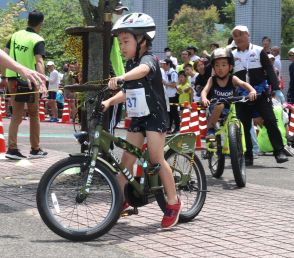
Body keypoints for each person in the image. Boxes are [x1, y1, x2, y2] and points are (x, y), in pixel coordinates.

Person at [102, 13, 182, 229]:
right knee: (126, 162)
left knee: (156, 158)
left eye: (126, 41)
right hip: (137, 117)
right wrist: (109, 101)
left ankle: (173, 202)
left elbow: (143, 71)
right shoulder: (130, 65)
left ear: (142, 41)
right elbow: (127, 93)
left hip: (155, 117)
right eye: (120, 43)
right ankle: (120, 202)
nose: (122, 46)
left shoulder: (149, 60)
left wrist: (121, 78)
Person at [231, 25, 288, 165]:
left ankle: (279, 151)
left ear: (247, 35)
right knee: (244, 126)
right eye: (235, 36)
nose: (238, 38)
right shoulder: (232, 55)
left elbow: (269, 69)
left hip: (261, 93)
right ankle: (248, 155)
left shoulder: (258, 50)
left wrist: (276, 89)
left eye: (241, 34)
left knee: (270, 120)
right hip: (242, 95)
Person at [1, 10, 48, 160]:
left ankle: (12, 148)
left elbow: (4, 54)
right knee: (34, 114)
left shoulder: (14, 35)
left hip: (12, 79)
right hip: (29, 80)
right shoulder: (37, 38)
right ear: (41, 23)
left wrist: (3, 76)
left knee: (16, 115)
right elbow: (39, 61)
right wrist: (42, 83)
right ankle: (35, 149)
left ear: (27, 20)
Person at [201, 48, 257, 138]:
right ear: (213, 67)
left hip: (231, 108)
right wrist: (204, 98)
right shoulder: (212, 79)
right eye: (217, 65)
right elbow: (205, 90)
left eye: (223, 65)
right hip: (216, 107)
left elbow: (243, 83)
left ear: (230, 67)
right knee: (220, 105)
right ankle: (210, 129)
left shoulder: (233, 78)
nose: (220, 68)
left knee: (243, 113)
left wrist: (252, 91)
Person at [161, 59, 180, 134]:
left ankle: (177, 127)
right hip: (168, 95)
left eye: (164, 64)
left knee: (174, 112)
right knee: (169, 112)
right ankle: (169, 127)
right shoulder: (166, 72)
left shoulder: (173, 72)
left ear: (168, 64)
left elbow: (174, 84)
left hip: (173, 95)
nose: (162, 65)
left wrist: (165, 83)